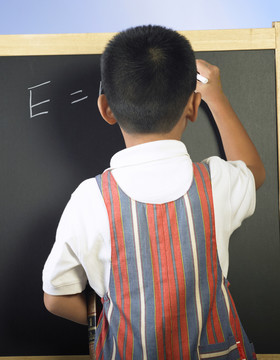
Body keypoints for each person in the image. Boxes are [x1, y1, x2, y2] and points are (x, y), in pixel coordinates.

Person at [42, 25, 265, 359]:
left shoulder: (90, 200)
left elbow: (56, 297)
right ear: (192, 107)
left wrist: (103, 322)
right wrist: (216, 99)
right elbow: (253, 171)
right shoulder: (216, 184)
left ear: (106, 109)